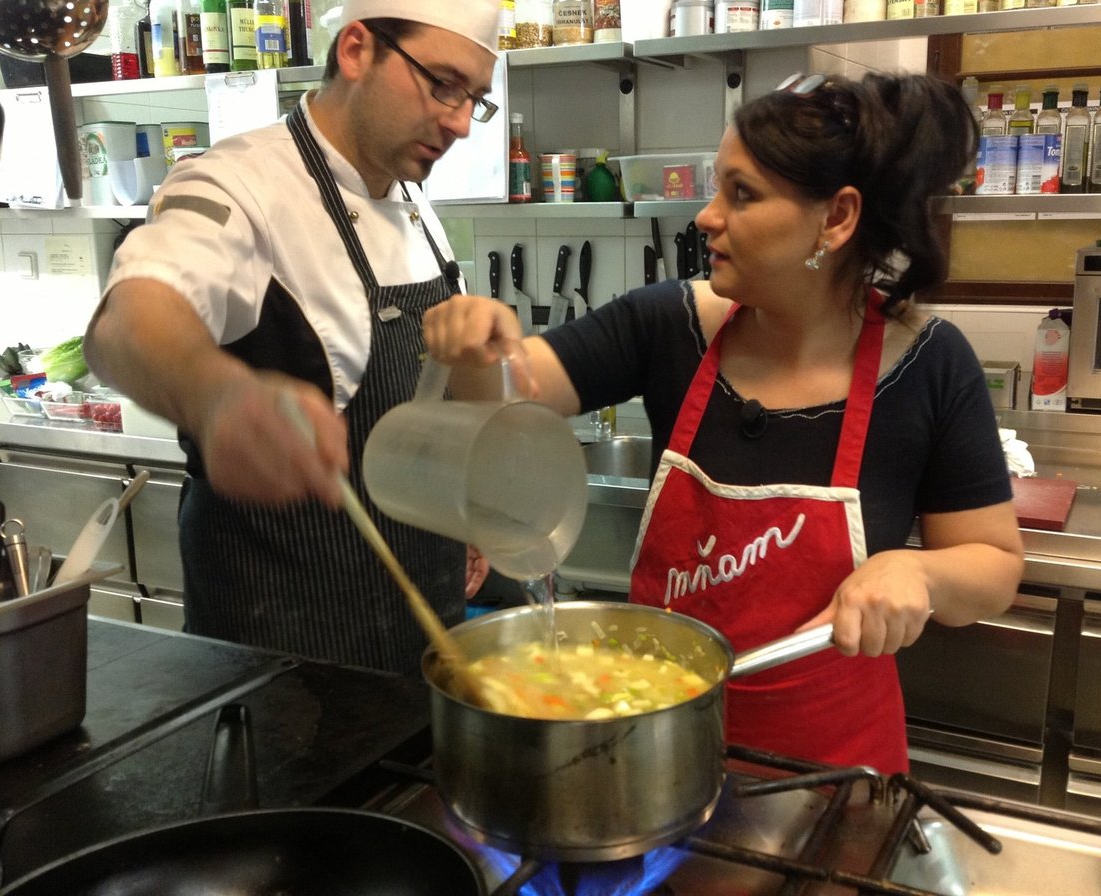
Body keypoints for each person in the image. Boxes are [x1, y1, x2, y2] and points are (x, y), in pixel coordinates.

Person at [423, 71, 1025, 773]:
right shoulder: (664, 325)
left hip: (834, 775)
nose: (706, 217)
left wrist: (917, 576)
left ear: (836, 217)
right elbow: (503, 394)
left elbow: (994, 567)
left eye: (741, 194)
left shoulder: (928, 361)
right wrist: (475, 345)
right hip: (655, 756)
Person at [82, 0, 501, 675]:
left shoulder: (412, 198)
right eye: (443, 84)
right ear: (357, 51)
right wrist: (217, 394)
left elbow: (417, 411)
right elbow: (128, 319)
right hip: (284, 673)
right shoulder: (240, 184)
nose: (459, 121)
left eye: (474, 99)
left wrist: (457, 513)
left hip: (420, 656)